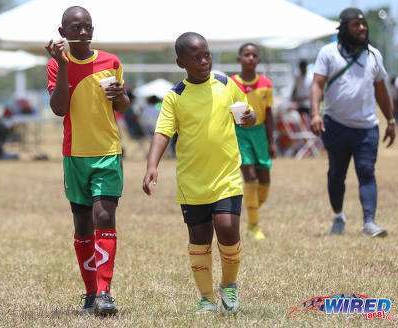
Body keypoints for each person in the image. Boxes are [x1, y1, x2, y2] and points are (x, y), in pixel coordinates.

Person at [142, 32, 256, 314]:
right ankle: (206, 298)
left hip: (227, 176)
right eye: (196, 57)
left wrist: (249, 117)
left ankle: (229, 285)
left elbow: (246, 112)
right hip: (192, 182)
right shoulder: (175, 96)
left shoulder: (226, 83)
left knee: (228, 229)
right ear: (181, 62)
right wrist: (151, 165)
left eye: (207, 55)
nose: (204, 61)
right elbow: (163, 132)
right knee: (200, 239)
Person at [45, 6, 130, 316]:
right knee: (82, 225)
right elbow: (58, 108)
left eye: (88, 26)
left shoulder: (112, 62)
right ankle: (91, 293)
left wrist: (120, 95)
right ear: (62, 32)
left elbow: (123, 104)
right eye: (76, 27)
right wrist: (62, 64)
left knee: (104, 217)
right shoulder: (56, 66)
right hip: (74, 155)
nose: (83, 32)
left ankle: (106, 293)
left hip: (107, 152)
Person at [310, 7, 395, 237]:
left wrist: (390, 119)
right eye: (356, 25)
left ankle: (369, 223)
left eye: (364, 24)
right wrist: (316, 114)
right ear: (344, 27)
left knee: (367, 172)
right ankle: (338, 216)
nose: (362, 28)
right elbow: (317, 84)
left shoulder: (374, 55)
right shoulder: (328, 53)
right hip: (335, 125)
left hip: (367, 127)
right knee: (337, 173)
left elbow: (381, 90)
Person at [230, 43, 276, 240]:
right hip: (239, 132)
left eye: (254, 55)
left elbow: (269, 113)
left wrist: (270, 141)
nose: (250, 58)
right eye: (247, 54)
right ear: (239, 59)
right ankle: (253, 226)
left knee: (264, 182)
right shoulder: (230, 83)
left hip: (259, 133)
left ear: (258, 60)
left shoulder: (266, 82)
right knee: (249, 177)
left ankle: (251, 213)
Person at [291, 60, 313, 128]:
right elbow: (295, 88)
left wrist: (305, 98)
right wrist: (293, 97)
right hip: (299, 104)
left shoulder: (310, 77)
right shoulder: (297, 77)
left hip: (308, 104)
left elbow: (313, 91)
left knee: (309, 122)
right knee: (300, 123)